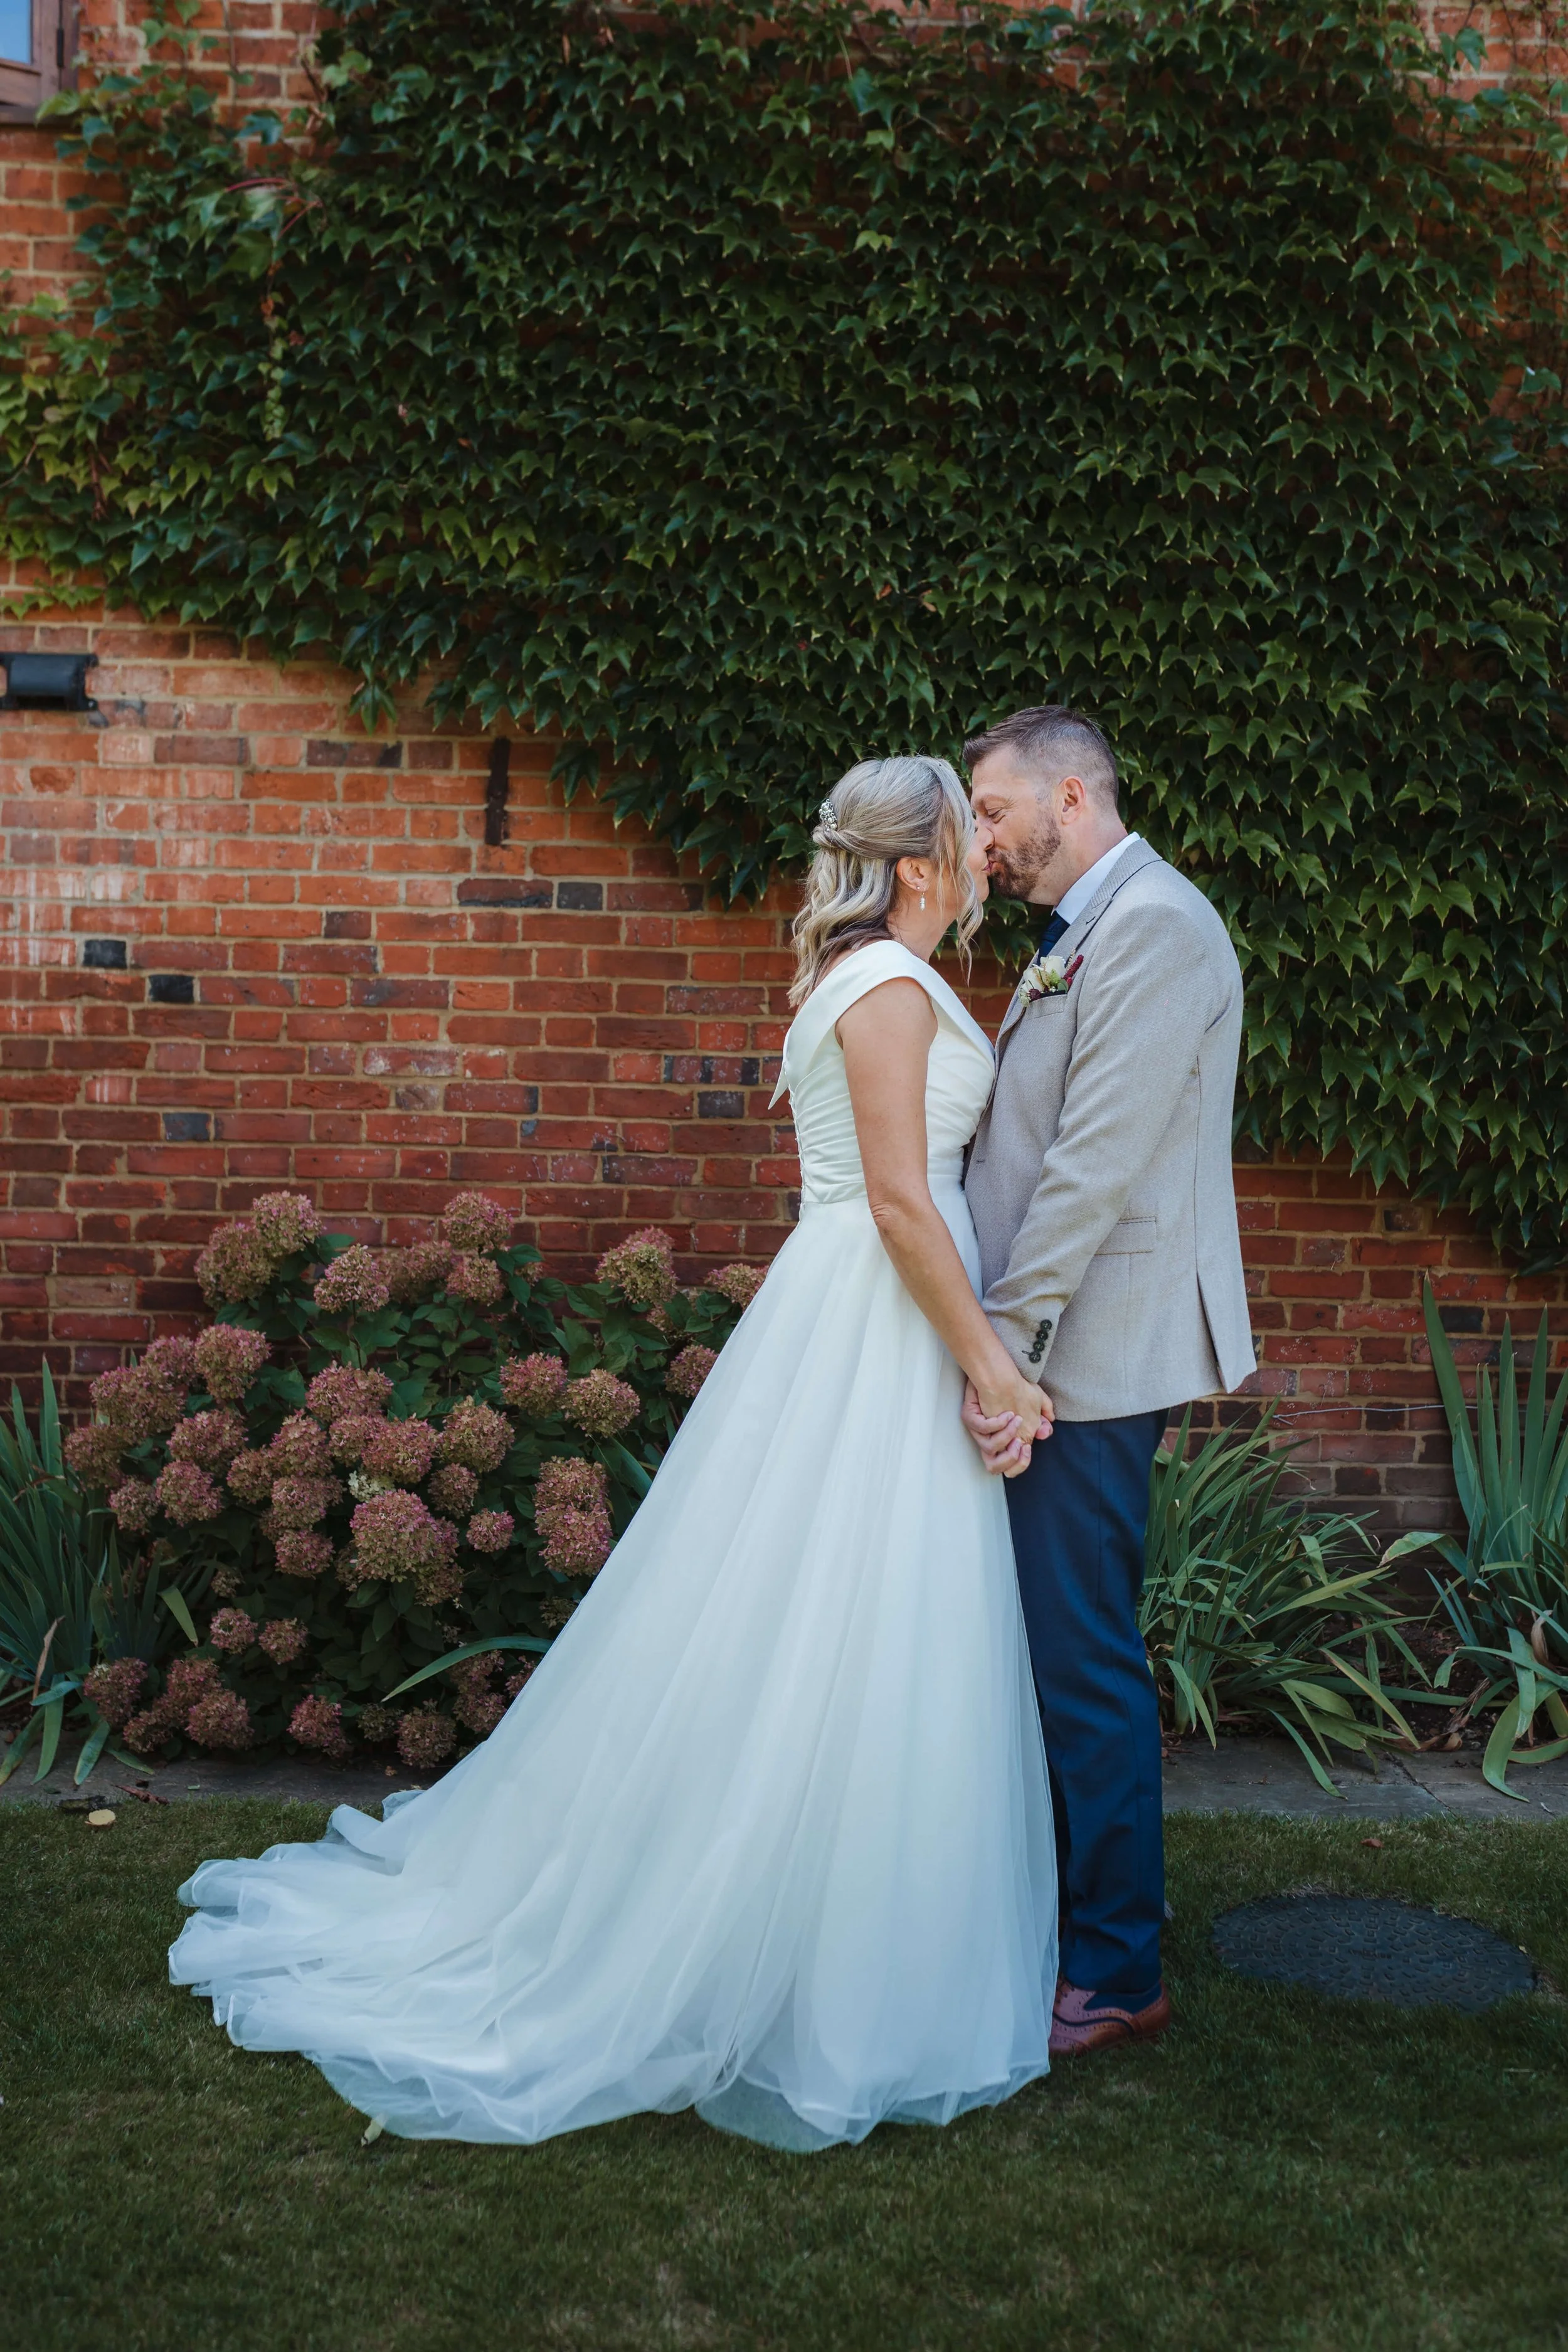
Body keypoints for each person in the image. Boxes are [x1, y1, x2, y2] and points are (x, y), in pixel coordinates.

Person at [169, 755, 1061, 2153]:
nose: (982, 865)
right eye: (965, 843)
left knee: (848, 1632)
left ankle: (842, 1943)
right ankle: (809, 1968)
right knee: (847, 1622)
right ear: (911, 869)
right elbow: (898, 1202)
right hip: (881, 1318)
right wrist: (993, 1367)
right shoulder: (884, 988)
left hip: (853, 1321)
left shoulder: (855, 976)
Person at [961, 705, 1254, 2057]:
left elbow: (1091, 1165)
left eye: (990, 810)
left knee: (1078, 1656)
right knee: (1051, 1644)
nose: (981, 838)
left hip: (1085, 1351)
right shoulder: (1089, 924)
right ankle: (1076, 1922)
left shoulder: (1152, 926)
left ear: (1069, 797)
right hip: (1052, 1345)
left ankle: (1119, 1965)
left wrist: (1007, 1352)